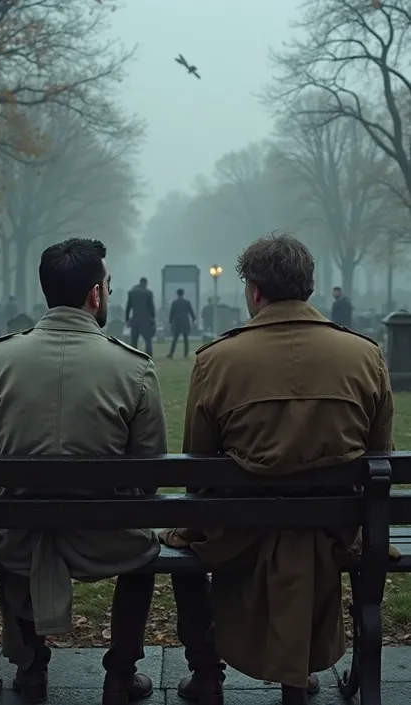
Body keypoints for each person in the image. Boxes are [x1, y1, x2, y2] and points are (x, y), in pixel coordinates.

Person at [161, 232, 394, 705]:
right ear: (308, 287)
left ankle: (207, 673)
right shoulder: (365, 355)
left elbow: (198, 468)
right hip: (334, 530)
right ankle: (304, 668)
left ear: (254, 292)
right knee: (302, 538)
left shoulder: (216, 360)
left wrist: (184, 529)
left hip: (242, 530)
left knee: (180, 550)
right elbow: (379, 456)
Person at [0, 238, 167, 705]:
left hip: (19, 537)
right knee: (145, 547)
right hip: (108, 540)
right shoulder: (133, 368)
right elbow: (149, 475)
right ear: (96, 295)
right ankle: (120, 672)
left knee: (8, 521)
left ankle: (32, 667)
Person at [125, 277, 156, 357]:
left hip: (135, 319)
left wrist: (127, 319)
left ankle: (133, 356)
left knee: (134, 340)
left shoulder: (131, 292)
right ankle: (149, 356)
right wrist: (153, 319)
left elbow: (128, 307)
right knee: (148, 340)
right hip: (145, 320)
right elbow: (152, 307)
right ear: (145, 283)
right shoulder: (148, 293)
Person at [168, 289, 196, 359]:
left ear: (177, 294)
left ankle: (171, 353)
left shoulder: (174, 303)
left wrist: (170, 321)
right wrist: (193, 319)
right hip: (185, 322)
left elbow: (172, 313)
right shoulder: (187, 302)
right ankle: (186, 354)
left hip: (177, 322)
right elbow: (191, 311)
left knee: (175, 339)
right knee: (186, 339)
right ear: (183, 294)